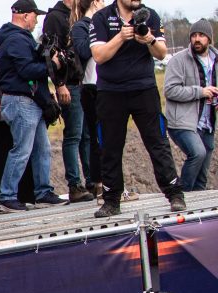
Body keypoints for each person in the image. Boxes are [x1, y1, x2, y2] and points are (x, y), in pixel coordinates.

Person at [90, 0, 185, 216]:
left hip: (144, 89)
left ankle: (175, 193)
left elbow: (161, 53)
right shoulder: (101, 17)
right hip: (111, 92)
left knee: (158, 142)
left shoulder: (150, 15)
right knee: (110, 147)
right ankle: (111, 200)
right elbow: (99, 56)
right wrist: (121, 36)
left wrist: (149, 39)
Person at [0, 0, 62, 212]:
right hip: (20, 100)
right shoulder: (16, 39)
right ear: (25, 15)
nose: (37, 20)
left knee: (42, 149)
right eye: (35, 15)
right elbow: (27, 71)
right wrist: (52, 64)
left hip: (31, 100)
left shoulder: (20, 38)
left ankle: (43, 193)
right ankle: (7, 196)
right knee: (22, 150)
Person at [47, 0, 96, 204]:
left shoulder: (78, 15)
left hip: (81, 82)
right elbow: (51, 53)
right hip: (69, 84)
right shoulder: (55, 17)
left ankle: (92, 180)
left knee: (86, 135)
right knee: (74, 134)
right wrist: (59, 83)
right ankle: (74, 184)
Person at [164, 20, 217, 192]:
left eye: (201, 35)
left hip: (207, 122)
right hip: (182, 122)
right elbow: (170, 90)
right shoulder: (179, 60)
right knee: (198, 153)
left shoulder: (216, 60)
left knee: (202, 175)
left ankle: (198, 205)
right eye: (194, 35)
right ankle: (180, 194)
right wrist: (200, 92)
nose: (197, 39)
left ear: (209, 38)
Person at [72, 0, 105, 201]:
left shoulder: (105, 23)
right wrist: (97, 32)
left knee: (111, 136)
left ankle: (111, 182)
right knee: (97, 137)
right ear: (95, 2)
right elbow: (83, 51)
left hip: (108, 85)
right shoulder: (80, 26)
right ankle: (99, 184)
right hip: (91, 87)